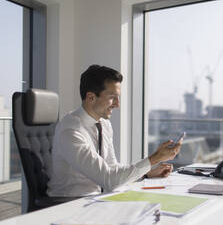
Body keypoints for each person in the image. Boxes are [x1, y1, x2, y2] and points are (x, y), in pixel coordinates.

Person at [47, 65, 181, 197]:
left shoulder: (104, 124)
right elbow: (109, 179)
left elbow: (111, 169)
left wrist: (146, 174)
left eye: (118, 97)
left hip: (98, 199)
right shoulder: (71, 131)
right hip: (70, 204)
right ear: (91, 97)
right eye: (112, 97)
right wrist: (155, 158)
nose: (118, 104)